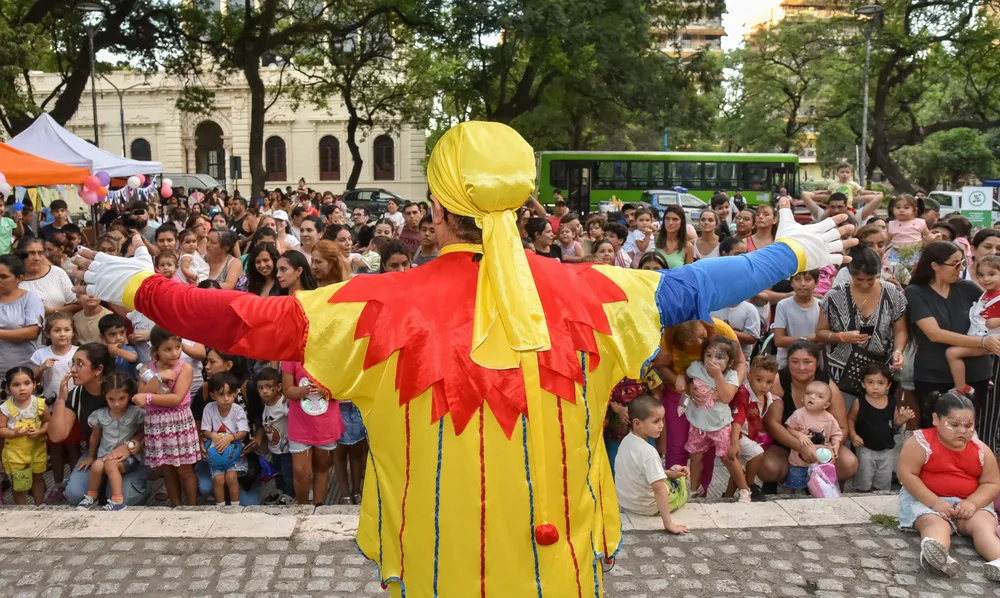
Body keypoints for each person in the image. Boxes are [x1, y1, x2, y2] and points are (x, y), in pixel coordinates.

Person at [73, 121, 853, 597]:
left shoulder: (372, 307)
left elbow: (241, 320)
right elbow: (697, 287)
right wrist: (790, 251)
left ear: (439, 210)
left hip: (433, 565)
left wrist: (138, 285)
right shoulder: (600, 295)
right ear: (517, 203)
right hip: (560, 567)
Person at [896, 392, 1000, 580]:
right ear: (936, 419)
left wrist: (973, 503)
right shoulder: (920, 442)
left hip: (968, 504)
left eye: (969, 426)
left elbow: (991, 482)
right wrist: (934, 502)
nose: (962, 431)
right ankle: (937, 555)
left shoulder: (981, 450)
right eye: (954, 425)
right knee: (935, 523)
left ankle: (998, 558)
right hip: (927, 501)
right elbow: (907, 475)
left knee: (984, 525)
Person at [907, 241, 1000, 434]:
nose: (961, 269)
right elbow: (934, 334)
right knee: (933, 432)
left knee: (966, 432)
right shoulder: (916, 292)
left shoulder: (969, 288)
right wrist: (982, 342)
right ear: (935, 265)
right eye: (955, 264)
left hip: (976, 374)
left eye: (962, 263)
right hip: (933, 375)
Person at [55, 344, 149, 506]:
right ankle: (96, 491)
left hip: (130, 455)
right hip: (100, 453)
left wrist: (131, 444)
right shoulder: (76, 396)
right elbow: (57, 436)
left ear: (98, 369)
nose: (73, 370)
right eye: (72, 363)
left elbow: (148, 425)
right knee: (75, 495)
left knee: (124, 497)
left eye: (80, 364)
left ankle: (138, 486)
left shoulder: (126, 389)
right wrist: (61, 400)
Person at [817, 246, 908, 413]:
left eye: (870, 279)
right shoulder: (834, 295)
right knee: (842, 416)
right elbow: (821, 332)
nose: (865, 284)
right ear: (850, 274)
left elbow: (900, 330)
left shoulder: (892, 294)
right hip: (842, 370)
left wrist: (898, 351)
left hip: (880, 372)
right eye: (859, 279)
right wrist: (842, 337)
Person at [758, 340, 858, 487]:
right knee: (769, 468)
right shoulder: (779, 381)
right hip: (784, 444)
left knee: (848, 463)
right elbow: (772, 424)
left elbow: (842, 427)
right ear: (787, 361)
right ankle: (777, 482)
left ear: (817, 363)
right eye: (795, 361)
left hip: (821, 444)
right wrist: (801, 447)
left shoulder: (828, 386)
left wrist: (832, 447)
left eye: (807, 362)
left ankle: (825, 483)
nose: (801, 367)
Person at [680, 336, 751, 502]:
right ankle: (694, 489)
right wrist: (682, 379)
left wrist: (718, 376)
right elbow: (685, 374)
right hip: (697, 423)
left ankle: (744, 489)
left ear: (730, 362)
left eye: (719, 357)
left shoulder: (731, 375)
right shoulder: (696, 367)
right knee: (695, 457)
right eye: (708, 355)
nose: (712, 360)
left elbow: (726, 397)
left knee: (727, 458)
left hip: (720, 424)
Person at [135, 327, 199, 506]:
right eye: (168, 349)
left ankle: (193, 507)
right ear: (156, 350)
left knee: (185, 471)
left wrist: (149, 398)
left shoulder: (184, 368)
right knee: (168, 472)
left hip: (179, 422)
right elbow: (140, 395)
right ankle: (176, 506)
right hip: (157, 425)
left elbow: (176, 399)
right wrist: (158, 377)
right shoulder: (147, 369)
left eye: (178, 347)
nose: (174, 353)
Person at [614, 395, 690, 534]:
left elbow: (639, 472)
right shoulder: (648, 452)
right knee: (681, 480)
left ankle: (671, 471)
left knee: (671, 474)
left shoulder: (626, 441)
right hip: (647, 507)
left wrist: (668, 473)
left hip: (627, 503)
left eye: (662, 420)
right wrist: (668, 524)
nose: (661, 425)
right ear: (637, 423)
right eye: (656, 421)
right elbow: (659, 489)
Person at [75, 372, 144, 511]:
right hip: (105, 454)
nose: (117, 404)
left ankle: (118, 501)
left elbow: (145, 431)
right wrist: (91, 456)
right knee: (96, 466)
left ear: (129, 395)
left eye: (122, 398)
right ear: (104, 396)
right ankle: (91, 497)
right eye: (111, 399)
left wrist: (137, 444)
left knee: (111, 465)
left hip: (128, 457)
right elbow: (95, 437)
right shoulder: (100, 414)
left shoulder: (136, 413)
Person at [282, 358, 343, 505]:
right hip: (300, 423)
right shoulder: (291, 356)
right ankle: (302, 508)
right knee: (301, 471)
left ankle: (318, 507)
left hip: (326, 423)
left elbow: (342, 388)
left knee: (322, 466)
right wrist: (305, 390)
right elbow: (287, 390)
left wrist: (324, 391)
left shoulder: (334, 352)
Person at [848, 363, 915, 492]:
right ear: (863, 384)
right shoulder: (859, 402)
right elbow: (850, 419)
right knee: (864, 478)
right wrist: (853, 435)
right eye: (870, 382)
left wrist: (904, 418)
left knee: (883, 481)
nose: (875, 387)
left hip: (886, 449)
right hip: (865, 448)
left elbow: (896, 421)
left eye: (880, 383)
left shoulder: (891, 402)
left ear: (888, 385)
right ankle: (862, 495)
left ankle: (880, 496)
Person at [726, 354, 778, 500]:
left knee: (738, 470)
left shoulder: (767, 396)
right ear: (749, 376)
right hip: (735, 434)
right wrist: (734, 443)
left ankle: (728, 496)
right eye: (759, 380)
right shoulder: (743, 395)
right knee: (757, 453)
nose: (764, 386)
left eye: (769, 382)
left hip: (748, 435)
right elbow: (737, 420)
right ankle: (749, 485)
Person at [946, 254, 1000, 395]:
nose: (985, 279)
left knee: (952, 353)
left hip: (991, 340)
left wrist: (998, 320)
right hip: (980, 337)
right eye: (981, 275)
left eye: (992, 274)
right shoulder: (987, 293)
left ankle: (961, 387)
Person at [0, 366, 48, 504]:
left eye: (27, 383)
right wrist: (14, 433)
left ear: (34, 384)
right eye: (16, 385)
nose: (22, 388)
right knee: (19, 482)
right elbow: (1, 428)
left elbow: (48, 422)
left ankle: (39, 506)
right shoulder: (5, 408)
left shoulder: (39, 404)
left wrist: (40, 431)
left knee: (38, 478)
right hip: (15, 452)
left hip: (36, 449)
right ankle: (21, 509)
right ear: (8, 388)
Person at [783, 380, 843, 490]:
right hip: (800, 461)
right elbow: (789, 428)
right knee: (796, 480)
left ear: (826, 405)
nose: (812, 397)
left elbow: (836, 434)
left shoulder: (829, 418)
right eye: (808, 393)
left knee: (819, 486)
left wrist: (836, 445)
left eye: (819, 396)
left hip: (821, 462)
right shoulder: (798, 414)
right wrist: (800, 435)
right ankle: (794, 492)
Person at [202, 371, 249, 506]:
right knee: (218, 480)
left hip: (234, 453)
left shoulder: (237, 410)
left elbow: (243, 432)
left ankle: (235, 507)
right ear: (213, 395)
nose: (226, 398)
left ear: (235, 393)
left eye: (230, 394)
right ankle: (220, 508)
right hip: (215, 452)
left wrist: (231, 437)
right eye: (221, 394)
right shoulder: (209, 408)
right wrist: (212, 435)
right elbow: (205, 430)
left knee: (231, 477)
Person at [0, 254, 44, 378]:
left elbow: (32, 332)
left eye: (3, 277)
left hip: (22, 374)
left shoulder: (30, 299)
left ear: (19, 278)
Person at [256, 366, 293, 500]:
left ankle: (291, 495)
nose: (264, 391)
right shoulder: (266, 403)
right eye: (261, 388)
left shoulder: (283, 403)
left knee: (288, 472)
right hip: (274, 448)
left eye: (268, 387)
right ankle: (280, 492)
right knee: (278, 472)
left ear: (279, 387)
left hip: (286, 448)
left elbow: (293, 417)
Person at [17, 237, 78, 316]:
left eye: (40, 253)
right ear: (21, 255)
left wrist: (52, 311)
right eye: (31, 253)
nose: (37, 258)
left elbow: (77, 305)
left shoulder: (57, 273)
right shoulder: (14, 279)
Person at [772, 270, 820, 367]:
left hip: (813, 363)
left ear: (816, 283)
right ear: (791, 283)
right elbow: (779, 340)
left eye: (807, 279)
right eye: (797, 279)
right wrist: (810, 339)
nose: (802, 284)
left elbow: (823, 340)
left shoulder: (821, 305)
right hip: (786, 363)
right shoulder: (783, 305)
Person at [887, 194, 931, 267]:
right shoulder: (891, 224)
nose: (901, 210)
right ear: (893, 209)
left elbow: (927, 235)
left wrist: (933, 237)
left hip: (914, 254)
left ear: (914, 210)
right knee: (894, 271)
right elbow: (887, 240)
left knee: (913, 270)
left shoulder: (920, 222)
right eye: (898, 207)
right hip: (896, 254)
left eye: (906, 208)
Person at [99, 313, 138, 380]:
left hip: (128, 385)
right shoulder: (101, 352)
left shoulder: (127, 349)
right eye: (112, 334)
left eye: (122, 332)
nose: (119, 338)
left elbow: (133, 357)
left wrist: (115, 350)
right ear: (103, 337)